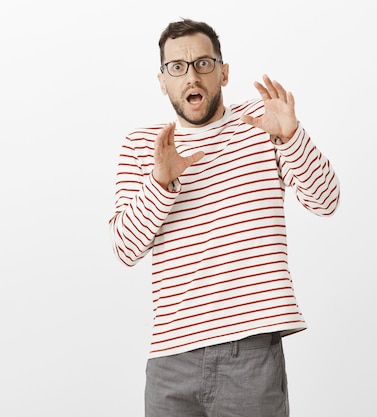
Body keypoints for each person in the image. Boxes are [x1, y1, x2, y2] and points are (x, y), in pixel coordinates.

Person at [109, 18, 340, 417]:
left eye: (203, 63)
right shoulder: (144, 145)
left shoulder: (261, 123)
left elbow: (326, 200)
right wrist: (161, 182)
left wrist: (290, 136)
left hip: (249, 352)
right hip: (170, 358)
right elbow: (125, 249)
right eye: (176, 67)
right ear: (162, 80)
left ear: (223, 72)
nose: (191, 75)